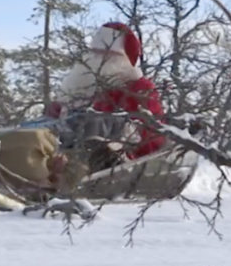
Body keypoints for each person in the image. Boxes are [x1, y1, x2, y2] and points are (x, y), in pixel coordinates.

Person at [46, 21, 167, 161]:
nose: (100, 60)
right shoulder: (72, 88)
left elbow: (150, 138)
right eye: (96, 54)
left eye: (106, 55)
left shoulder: (138, 89)